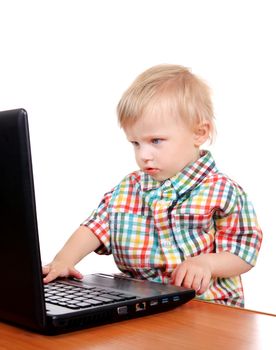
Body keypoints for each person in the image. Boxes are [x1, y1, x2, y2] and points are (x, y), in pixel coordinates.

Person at [43, 64, 262, 307]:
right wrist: (63, 260)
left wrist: (207, 263)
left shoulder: (222, 191)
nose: (144, 155)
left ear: (199, 133)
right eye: (135, 143)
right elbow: (94, 228)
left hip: (207, 306)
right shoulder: (128, 189)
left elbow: (243, 251)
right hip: (143, 304)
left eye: (155, 141)